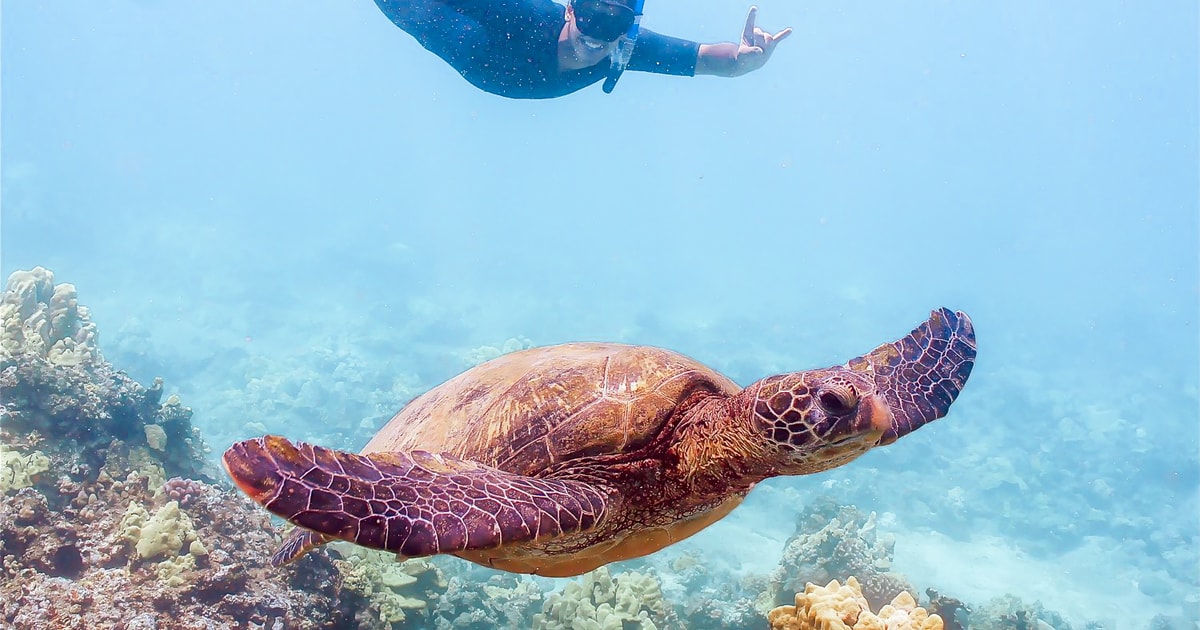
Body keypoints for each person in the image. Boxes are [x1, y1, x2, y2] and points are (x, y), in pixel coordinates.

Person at [373, 0, 791, 99]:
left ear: (630, 26)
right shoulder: (529, 16)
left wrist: (744, 60)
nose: (597, 35)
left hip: (492, 70)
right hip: (476, 48)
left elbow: (705, 59)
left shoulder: (626, 48)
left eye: (614, 23)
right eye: (592, 15)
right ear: (571, 9)